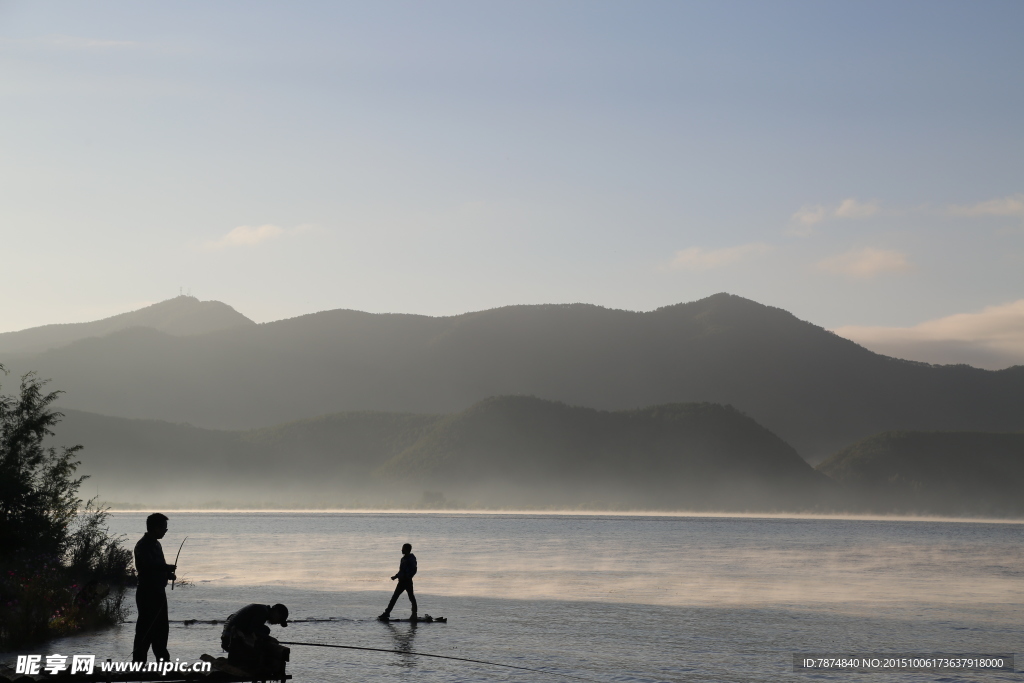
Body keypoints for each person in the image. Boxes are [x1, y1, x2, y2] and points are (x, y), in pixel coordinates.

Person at [132, 513, 176, 663]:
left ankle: (163, 663)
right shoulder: (143, 545)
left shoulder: (157, 544)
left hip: (159, 592)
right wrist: (165, 567)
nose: (165, 531)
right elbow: (147, 567)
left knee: (162, 630)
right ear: (155, 528)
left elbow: (156, 567)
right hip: (147, 593)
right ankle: (138, 665)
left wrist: (167, 574)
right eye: (164, 528)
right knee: (145, 630)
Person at [220, 603, 290, 674]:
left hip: (226, 638)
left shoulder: (261, 609)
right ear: (276, 612)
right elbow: (252, 630)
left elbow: (252, 630)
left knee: (265, 630)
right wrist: (269, 639)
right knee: (265, 631)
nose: (277, 623)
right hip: (230, 640)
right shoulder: (262, 612)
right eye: (279, 620)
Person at [378, 543, 417, 621]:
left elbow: (414, 570)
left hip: (408, 581)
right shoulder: (403, 559)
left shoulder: (411, 559)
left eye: (403, 548)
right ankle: (387, 613)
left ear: (407, 550)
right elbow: (401, 571)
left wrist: (408, 576)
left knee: (411, 597)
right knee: (394, 597)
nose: (401, 550)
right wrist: (395, 577)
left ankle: (414, 614)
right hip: (401, 582)